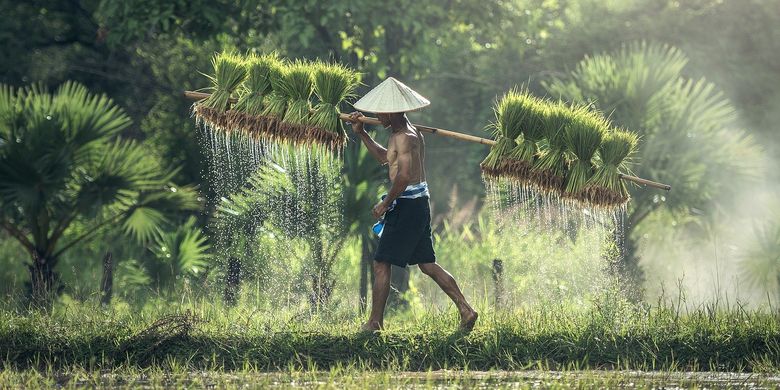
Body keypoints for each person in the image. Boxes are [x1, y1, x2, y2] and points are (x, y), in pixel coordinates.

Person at [346, 77, 478, 332]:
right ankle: (466, 310)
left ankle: (375, 323)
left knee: (381, 261)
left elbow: (404, 177)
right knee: (427, 264)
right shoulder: (403, 134)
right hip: (417, 203)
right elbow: (386, 158)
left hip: (408, 205)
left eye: (380, 111)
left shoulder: (406, 137)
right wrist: (361, 133)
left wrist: (386, 203)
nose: (377, 115)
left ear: (393, 111)